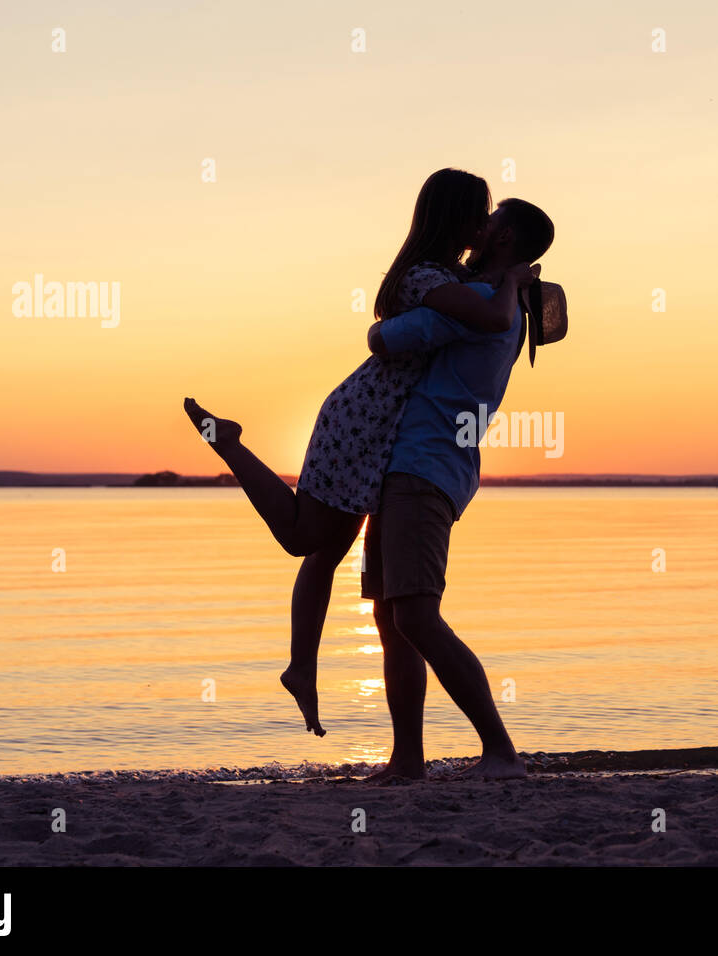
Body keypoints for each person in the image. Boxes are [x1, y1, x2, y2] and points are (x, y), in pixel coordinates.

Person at [182, 168, 536, 736]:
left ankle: (305, 671)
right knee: (305, 538)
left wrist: (513, 282)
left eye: (492, 216)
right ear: (456, 217)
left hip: (387, 429)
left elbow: (472, 315)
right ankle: (231, 447)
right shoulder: (432, 279)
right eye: (479, 212)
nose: (485, 223)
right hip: (367, 418)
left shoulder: (456, 279)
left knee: (330, 551)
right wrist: (514, 282)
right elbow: (436, 325)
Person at [361, 197, 556, 782]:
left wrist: (377, 321)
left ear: (502, 241)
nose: (478, 228)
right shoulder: (497, 303)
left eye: (489, 223)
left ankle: (500, 750)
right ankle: (408, 759)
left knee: (416, 617)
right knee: (391, 617)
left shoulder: (478, 304)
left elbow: (386, 339)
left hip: (424, 469)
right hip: (412, 468)